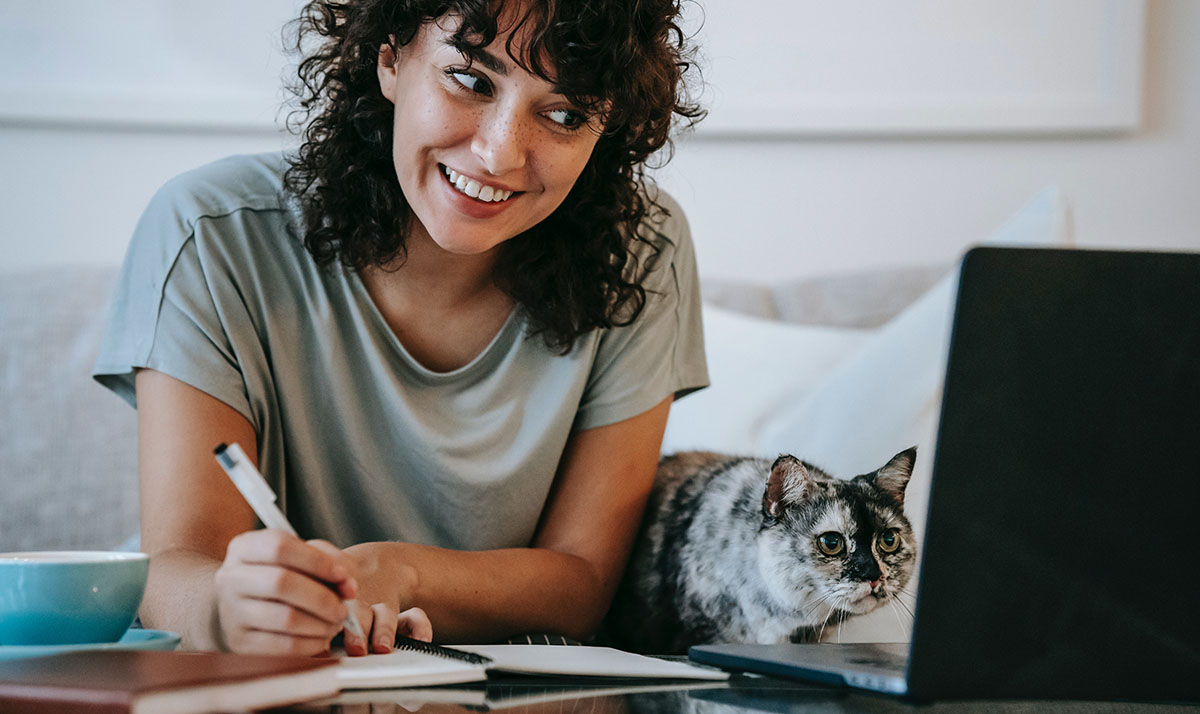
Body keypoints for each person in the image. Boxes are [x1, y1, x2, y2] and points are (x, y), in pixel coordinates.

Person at [93, 0, 706, 657]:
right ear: (390, 56)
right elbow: (178, 566)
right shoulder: (210, 236)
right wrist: (227, 610)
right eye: (470, 80)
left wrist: (404, 573)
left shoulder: (640, 250)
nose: (499, 152)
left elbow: (583, 584)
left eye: (564, 114)